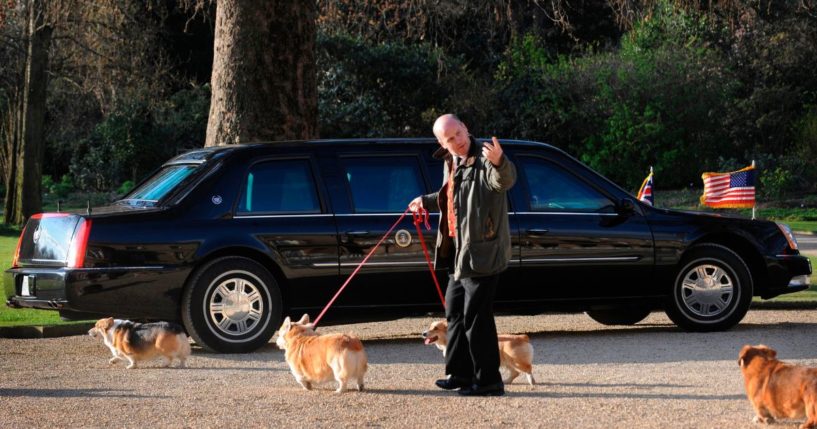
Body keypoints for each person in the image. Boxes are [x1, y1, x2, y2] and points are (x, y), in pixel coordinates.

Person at [409, 114, 516, 396]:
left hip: (482, 253)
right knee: (454, 313)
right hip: (456, 252)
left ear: (465, 129)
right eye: (449, 139)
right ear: (441, 142)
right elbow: (452, 195)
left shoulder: (485, 158)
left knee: (476, 318)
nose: (456, 141)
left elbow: (503, 181)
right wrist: (425, 201)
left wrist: (500, 162)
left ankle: (489, 381)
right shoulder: (451, 161)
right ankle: (460, 374)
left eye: (458, 134)